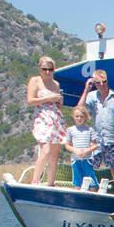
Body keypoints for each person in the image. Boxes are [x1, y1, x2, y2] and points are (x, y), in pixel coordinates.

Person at [79, 69, 114, 191]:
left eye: (104, 81)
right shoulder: (92, 96)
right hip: (97, 140)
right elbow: (80, 109)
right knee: (89, 168)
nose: (102, 85)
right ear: (95, 84)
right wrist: (86, 89)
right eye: (98, 83)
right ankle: (91, 195)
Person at [26, 56, 66, 185]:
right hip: (42, 117)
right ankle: (35, 181)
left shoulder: (56, 84)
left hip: (55, 118)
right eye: (44, 69)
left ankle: (50, 184)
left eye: (50, 69)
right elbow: (30, 101)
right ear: (40, 69)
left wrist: (59, 100)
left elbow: (57, 104)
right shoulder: (35, 81)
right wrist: (49, 98)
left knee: (54, 155)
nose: (47, 72)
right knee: (45, 151)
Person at [65, 105, 100, 189]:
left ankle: (93, 196)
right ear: (73, 116)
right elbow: (67, 145)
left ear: (85, 117)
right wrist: (76, 151)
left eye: (81, 116)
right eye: (77, 116)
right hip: (76, 160)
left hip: (87, 160)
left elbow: (95, 145)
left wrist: (85, 151)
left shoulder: (90, 130)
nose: (79, 118)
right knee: (77, 183)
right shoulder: (70, 130)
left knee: (91, 183)